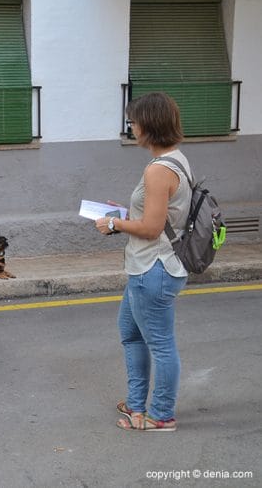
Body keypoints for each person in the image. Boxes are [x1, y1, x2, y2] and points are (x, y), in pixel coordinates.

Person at [94, 92, 192, 431]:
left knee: (160, 345)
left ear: (148, 125)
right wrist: (125, 213)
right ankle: (136, 405)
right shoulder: (175, 159)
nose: (131, 127)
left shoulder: (159, 170)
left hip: (154, 269)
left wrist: (114, 223)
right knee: (131, 335)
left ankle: (161, 415)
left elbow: (151, 228)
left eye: (133, 122)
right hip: (149, 267)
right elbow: (158, 216)